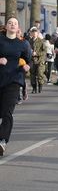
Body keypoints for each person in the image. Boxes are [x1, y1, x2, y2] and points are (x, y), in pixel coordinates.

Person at [0, 17, 31, 156]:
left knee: (7, 112)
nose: (12, 25)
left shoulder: (23, 44)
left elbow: (30, 60)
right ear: (6, 26)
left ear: (18, 27)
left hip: (14, 80)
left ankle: (2, 141)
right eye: (10, 23)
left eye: (15, 23)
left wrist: (27, 66)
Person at [29, 27, 46, 93]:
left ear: (38, 33)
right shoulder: (29, 41)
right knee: (32, 74)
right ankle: (34, 88)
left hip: (40, 60)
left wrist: (37, 53)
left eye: (35, 32)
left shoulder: (41, 41)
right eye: (33, 32)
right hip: (32, 60)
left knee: (40, 73)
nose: (34, 34)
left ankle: (40, 86)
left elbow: (44, 51)